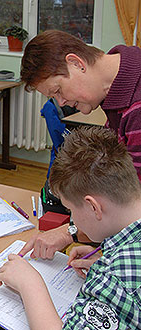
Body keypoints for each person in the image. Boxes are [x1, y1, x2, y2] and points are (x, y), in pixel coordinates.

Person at [0, 126, 141, 329]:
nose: (72, 220)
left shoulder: (114, 277)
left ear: (93, 207)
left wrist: (30, 284)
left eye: (70, 210)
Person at [18, 29, 141, 262]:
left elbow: (130, 205)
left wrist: (71, 232)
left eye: (58, 91)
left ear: (76, 63)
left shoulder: (137, 109)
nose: (62, 103)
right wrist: (104, 250)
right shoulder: (120, 84)